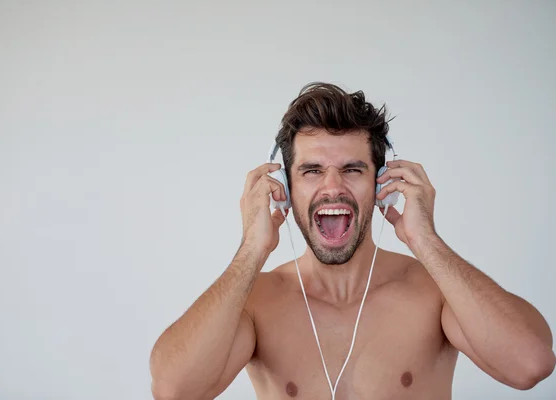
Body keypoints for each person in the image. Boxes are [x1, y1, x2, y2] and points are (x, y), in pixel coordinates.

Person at [149, 83, 555, 399]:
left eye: (352, 169)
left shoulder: (434, 291)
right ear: (285, 189)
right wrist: (251, 251)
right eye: (311, 170)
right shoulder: (256, 301)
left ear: (382, 183)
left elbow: (531, 365)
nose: (332, 187)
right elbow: (173, 390)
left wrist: (425, 239)